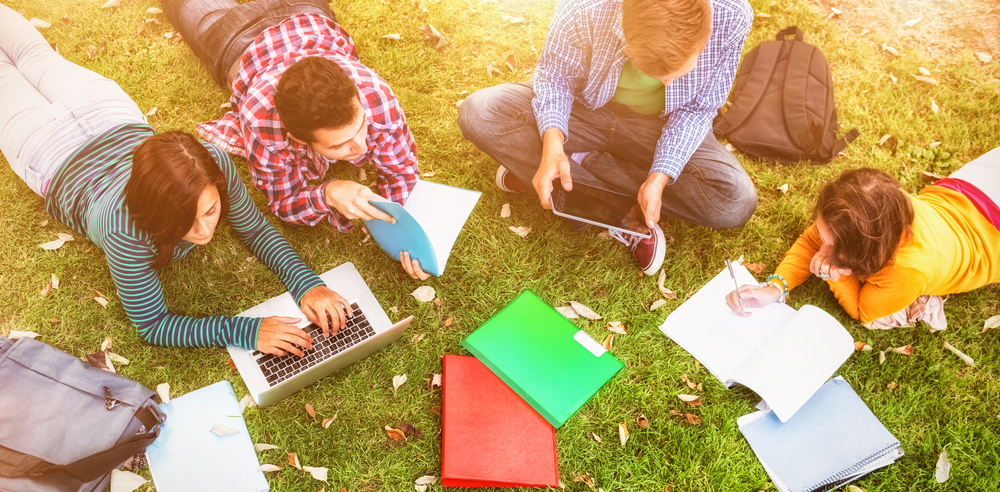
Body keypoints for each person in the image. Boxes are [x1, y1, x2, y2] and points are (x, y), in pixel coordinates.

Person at [0, 3, 353, 357]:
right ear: (155, 210)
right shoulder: (123, 230)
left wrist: (308, 285)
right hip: (45, 148)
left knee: (32, 52)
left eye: (211, 210)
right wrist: (246, 329)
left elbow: (255, 229)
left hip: (104, 111)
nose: (204, 232)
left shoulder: (209, 161)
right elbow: (153, 324)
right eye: (184, 220)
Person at [458, 0, 758, 275]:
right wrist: (551, 142)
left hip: (659, 126)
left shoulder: (731, 15)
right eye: (655, 71)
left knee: (734, 201)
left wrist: (660, 177)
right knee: (481, 111)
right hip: (584, 109)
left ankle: (574, 165)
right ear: (626, 35)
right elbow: (556, 77)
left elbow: (697, 108)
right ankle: (616, 208)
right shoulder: (585, 6)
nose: (668, 82)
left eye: (680, 71)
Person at [161, 0, 429, 280]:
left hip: (307, 11)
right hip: (238, 39)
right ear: (297, 140)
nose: (362, 147)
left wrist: (406, 238)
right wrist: (329, 192)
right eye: (339, 145)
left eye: (361, 126)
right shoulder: (261, 124)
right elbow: (284, 203)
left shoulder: (375, 95)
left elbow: (401, 172)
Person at [725, 156, 1000, 324]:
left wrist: (835, 275)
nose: (820, 248)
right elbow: (810, 240)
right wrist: (775, 288)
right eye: (823, 235)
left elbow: (863, 311)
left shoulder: (908, 272)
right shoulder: (876, 202)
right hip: (974, 184)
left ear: (865, 250)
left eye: (834, 246)